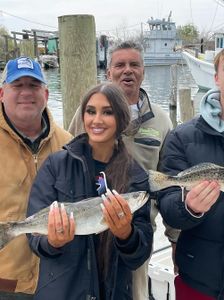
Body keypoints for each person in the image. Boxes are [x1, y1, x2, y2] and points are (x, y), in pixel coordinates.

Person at [68, 40, 180, 300]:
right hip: (87, 227)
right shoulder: (86, 114)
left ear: (143, 71)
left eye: (134, 64)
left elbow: (169, 184)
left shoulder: (162, 121)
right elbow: (67, 160)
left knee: (135, 294)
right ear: (109, 73)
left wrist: (175, 238)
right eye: (119, 65)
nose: (127, 70)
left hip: (136, 232)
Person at [26, 82, 153, 300]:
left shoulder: (136, 175)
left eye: (108, 112)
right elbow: (35, 239)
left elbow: (139, 254)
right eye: (90, 111)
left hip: (113, 292)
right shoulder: (56, 165)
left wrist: (126, 234)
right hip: (62, 292)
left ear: (121, 118)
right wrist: (53, 242)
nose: (97, 120)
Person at [157, 42, 224, 300]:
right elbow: (168, 207)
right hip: (201, 279)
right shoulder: (182, 137)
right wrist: (189, 208)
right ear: (215, 77)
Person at [0, 56, 72, 299]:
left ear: (46, 94)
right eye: (17, 85)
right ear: (2, 93)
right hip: (5, 283)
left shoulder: (68, 144)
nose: (26, 93)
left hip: (57, 277)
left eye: (33, 85)